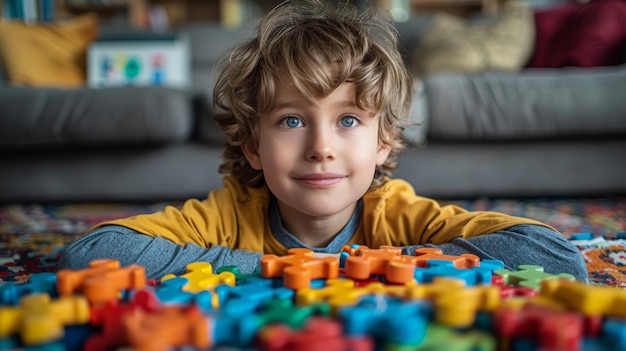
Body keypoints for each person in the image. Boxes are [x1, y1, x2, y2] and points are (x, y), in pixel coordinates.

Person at [58, 0, 588, 282]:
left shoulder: (396, 213)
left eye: (349, 121)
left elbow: (556, 256)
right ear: (251, 145)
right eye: (290, 121)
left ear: (384, 141)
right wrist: (282, 269)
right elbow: (90, 254)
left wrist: (382, 263)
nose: (321, 147)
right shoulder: (227, 216)